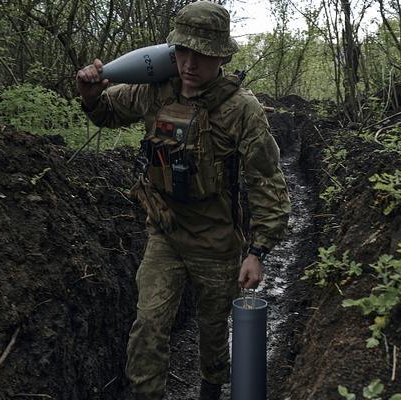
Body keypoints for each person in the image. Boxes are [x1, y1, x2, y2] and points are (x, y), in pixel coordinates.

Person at [75, 2, 290, 399]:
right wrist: (90, 97)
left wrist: (257, 251)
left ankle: (211, 388)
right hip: (166, 232)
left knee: (212, 334)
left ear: (222, 56)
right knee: (148, 325)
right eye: (183, 52)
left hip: (216, 241)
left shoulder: (242, 109)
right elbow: (107, 112)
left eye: (203, 54)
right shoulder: (154, 89)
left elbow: (267, 182)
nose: (190, 63)